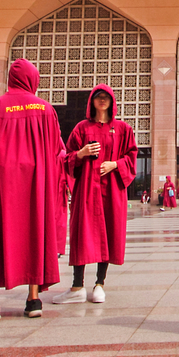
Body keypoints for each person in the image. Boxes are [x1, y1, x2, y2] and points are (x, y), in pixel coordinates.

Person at [0, 59, 65, 321]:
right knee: (34, 234)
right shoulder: (46, 109)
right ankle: (33, 299)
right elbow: (56, 148)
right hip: (36, 186)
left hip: (1, 184)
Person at [55, 84, 138, 305]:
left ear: (112, 102)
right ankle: (77, 286)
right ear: (91, 101)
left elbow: (132, 156)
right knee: (82, 233)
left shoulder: (122, 129)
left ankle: (99, 284)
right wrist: (81, 154)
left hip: (111, 190)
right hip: (87, 190)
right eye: (98, 97)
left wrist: (115, 164)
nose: (102, 100)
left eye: (106, 97)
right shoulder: (82, 128)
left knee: (108, 233)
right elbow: (67, 158)